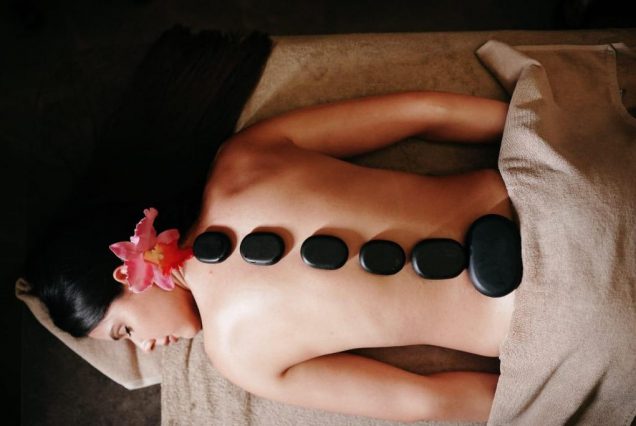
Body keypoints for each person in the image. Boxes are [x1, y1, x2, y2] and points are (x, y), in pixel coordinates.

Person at [25, 26, 515, 425]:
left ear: (126, 270)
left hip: (532, 320)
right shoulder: (243, 159)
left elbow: (423, 401)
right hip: (535, 193)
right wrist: (531, 128)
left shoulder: (241, 360)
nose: (146, 348)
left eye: (125, 331)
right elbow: (423, 112)